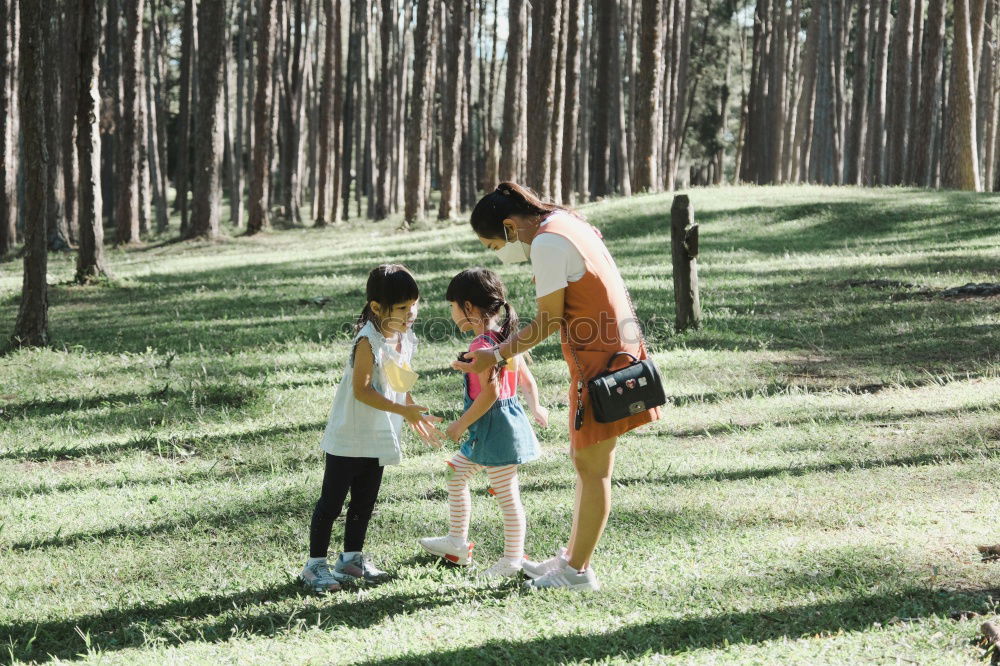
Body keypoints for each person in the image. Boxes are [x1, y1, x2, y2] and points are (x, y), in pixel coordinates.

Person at [453, 183, 661, 591]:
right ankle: (570, 558)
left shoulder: (547, 242)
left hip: (600, 366)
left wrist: (494, 356)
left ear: (511, 227)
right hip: (613, 356)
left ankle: (577, 572)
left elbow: (547, 321)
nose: (500, 255)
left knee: (594, 468)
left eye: (495, 246)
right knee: (585, 462)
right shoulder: (566, 222)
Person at [300, 264, 442, 593]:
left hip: (379, 432)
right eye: (403, 307)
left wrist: (411, 410)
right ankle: (314, 566)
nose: (412, 313)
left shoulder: (403, 336)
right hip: (350, 435)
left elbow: (399, 378)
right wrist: (401, 410)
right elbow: (362, 390)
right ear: (377, 307)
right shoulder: (368, 340)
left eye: (415, 305)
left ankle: (351, 559)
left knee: (364, 502)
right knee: (331, 503)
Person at [419, 268, 548, 579]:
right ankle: (457, 542)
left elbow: (489, 394)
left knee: (506, 494)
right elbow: (526, 382)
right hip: (501, 424)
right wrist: (537, 407)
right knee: (457, 473)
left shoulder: (481, 344)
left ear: (468, 308)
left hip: (495, 429)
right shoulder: (505, 338)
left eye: (452, 307)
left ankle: (512, 560)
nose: (451, 314)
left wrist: (459, 425)